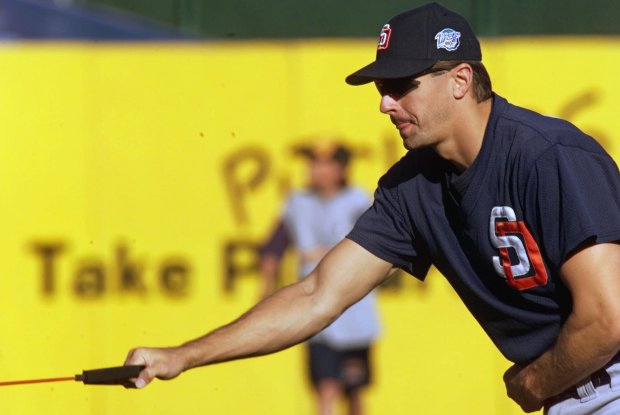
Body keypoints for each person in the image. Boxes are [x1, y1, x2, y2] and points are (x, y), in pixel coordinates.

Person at [124, 3, 620, 414]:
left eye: (402, 85)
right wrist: (181, 356)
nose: (385, 104)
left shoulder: (548, 156)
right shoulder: (413, 188)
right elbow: (316, 295)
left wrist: (535, 382)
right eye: (383, 89)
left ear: (460, 79)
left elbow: (608, 319)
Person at [259, 141, 380, 415]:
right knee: (325, 389)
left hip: (354, 311)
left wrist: (320, 253)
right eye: (312, 163)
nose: (314, 169)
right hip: (314, 310)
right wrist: (266, 289)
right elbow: (274, 247)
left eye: (323, 163)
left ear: (341, 168)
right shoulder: (298, 203)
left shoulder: (359, 202)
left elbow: (379, 248)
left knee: (355, 392)